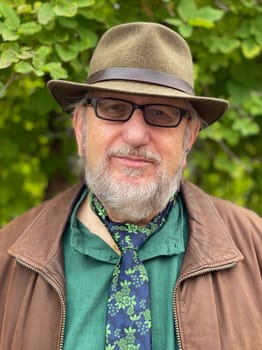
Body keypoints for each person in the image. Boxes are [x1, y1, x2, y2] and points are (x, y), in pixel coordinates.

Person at [0, 22, 261, 350]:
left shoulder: (255, 250)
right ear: (80, 127)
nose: (136, 135)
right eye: (113, 108)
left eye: (161, 113)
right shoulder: (8, 259)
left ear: (189, 137)